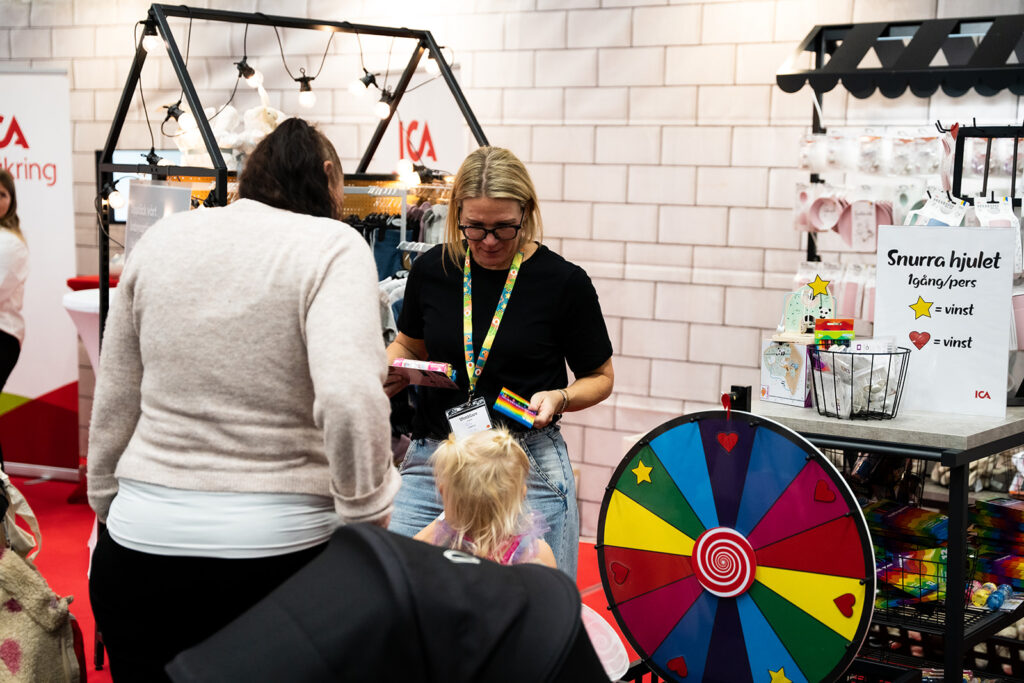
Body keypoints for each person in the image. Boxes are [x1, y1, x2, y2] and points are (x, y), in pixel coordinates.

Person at [87, 118, 398, 681]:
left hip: (139, 547)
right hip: (278, 554)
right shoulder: (332, 246)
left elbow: (116, 392)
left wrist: (109, 502)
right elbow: (350, 396)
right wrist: (365, 512)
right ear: (328, 175)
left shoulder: (162, 240)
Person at [386, 146, 614, 579]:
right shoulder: (433, 270)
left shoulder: (563, 282)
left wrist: (561, 397)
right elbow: (409, 345)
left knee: (538, 601)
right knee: (399, 588)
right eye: (475, 227)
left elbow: (600, 377)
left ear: (526, 213)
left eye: (504, 228)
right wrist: (390, 367)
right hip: (436, 459)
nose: (489, 241)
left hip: (525, 463)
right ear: (457, 213)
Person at [414, 427, 556, 568]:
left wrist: (446, 511)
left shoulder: (434, 546)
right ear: (522, 493)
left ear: (443, 491)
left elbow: (409, 556)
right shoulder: (535, 554)